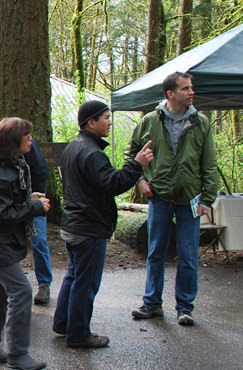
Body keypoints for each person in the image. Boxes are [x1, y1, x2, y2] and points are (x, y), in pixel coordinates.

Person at [53, 100, 153, 348]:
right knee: (85, 282)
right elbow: (114, 183)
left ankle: (63, 323)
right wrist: (136, 164)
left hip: (74, 223)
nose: (110, 122)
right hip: (88, 227)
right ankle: (78, 334)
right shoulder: (92, 152)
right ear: (91, 122)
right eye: (106, 117)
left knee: (74, 276)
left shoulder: (73, 147)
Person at [128, 72, 218, 326]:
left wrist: (207, 199)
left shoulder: (201, 122)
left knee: (188, 254)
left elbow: (209, 163)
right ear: (171, 94)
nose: (192, 92)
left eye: (192, 88)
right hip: (160, 197)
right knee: (155, 251)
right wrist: (140, 180)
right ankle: (152, 304)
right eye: (186, 89)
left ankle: (185, 307)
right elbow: (132, 152)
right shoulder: (149, 121)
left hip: (190, 198)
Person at [0, 118, 49, 370]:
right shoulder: (1, 173)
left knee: (2, 292)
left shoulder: (11, 166)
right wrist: (34, 207)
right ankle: (17, 354)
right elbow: (0, 214)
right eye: (26, 136)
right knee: (21, 291)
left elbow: (5, 206)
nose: (30, 140)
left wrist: (30, 199)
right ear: (13, 141)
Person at [23, 139, 53, 305]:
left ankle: (44, 284)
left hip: (35, 200)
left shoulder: (31, 148)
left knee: (39, 240)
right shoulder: (5, 147)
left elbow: (40, 174)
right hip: (15, 202)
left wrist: (36, 201)